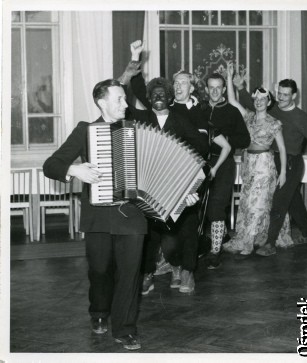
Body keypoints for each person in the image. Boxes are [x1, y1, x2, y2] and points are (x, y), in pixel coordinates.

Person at [43, 79, 147, 350]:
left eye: (125, 99)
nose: (125, 104)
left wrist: (182, 192)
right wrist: (75, 170)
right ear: (102, 103)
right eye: (119, 99)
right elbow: (51, 165)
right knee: (100, 270)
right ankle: (99, 311)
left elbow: (158, 169)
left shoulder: (138, 131)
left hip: (133, 214)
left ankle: (124, 329)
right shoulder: (86, 131)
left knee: (129, 273)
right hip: (98, 216)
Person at [120, 43, 217, 295]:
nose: (159, 97)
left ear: (170, 97)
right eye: (154, 94)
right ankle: (148, 273)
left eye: (163, 94)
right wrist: (134, 58)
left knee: (188, 227)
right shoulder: (140, 120)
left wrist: (191, 178)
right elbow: (124, 93)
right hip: (150, 188)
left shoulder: (183, 121)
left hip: (180, 187)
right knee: (149, 234)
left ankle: (186, 271)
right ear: (149, 98)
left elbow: (203, 150)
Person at [233, 73, 307, 256]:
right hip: (272, 161)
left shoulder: (300, 117)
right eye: (279, 93)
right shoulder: (273, 109)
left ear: (294, 96)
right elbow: (252, 103)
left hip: (292, 163)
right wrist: (240, 88)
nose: (281, 98)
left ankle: (270, 244)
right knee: (293, 200)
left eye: (286, 95)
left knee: (279, 202)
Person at [223, 62, 292, 256]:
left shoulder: (274, 123)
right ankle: (251, 237)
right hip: (249, 163)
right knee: (247, 202)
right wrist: (229, 76)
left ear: (269, 102)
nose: (259, 101)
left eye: (263, 98)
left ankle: (248, 241)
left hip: (264, 164)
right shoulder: (248, 117)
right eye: (257, 98)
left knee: (258, 202)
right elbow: (231, 100)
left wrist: (284, 171)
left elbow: (283, 148)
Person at [201, 72, 251, 269]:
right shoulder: (200, 109)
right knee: (202, 207)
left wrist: (226, 140)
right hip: (201, 163)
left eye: (218, 87)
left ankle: (215, 251)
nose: (214, 91)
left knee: (216, 206)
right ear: (206, 89)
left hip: (224, 164)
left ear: (223, 89)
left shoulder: (232, 111)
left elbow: (245, 140)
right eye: (210, 87)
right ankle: (215, 237)